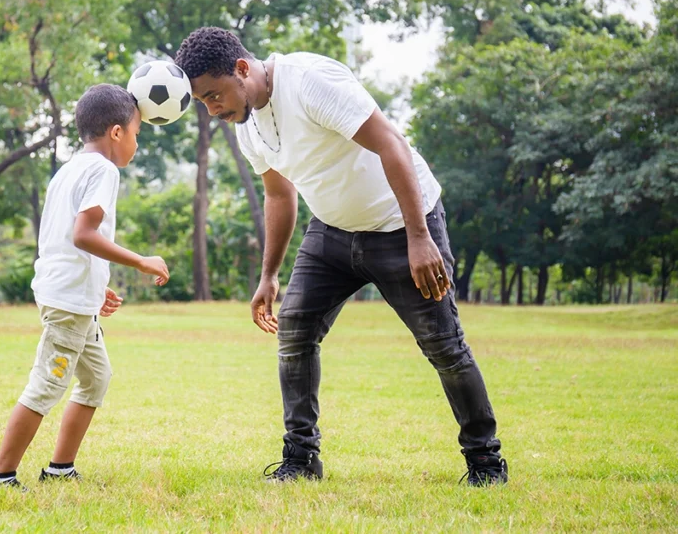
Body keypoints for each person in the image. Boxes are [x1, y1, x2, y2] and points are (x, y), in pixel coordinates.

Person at [175, 27, 507, 487]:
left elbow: (391, 143)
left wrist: (418, 237)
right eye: (203, 103)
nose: (213, 110)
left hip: (401, 225)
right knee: (295, 330)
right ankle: (301, 460)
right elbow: (279, 195)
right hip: (332, 232)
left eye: (214, 95)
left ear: (243, 69)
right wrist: (269, 274)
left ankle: (486, 464)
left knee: (443, 345)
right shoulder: (247, 123)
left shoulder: (310, 80)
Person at [0, 84, 170, 490]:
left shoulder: (68, 169)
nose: (136, 142)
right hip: (67, 303)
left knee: (96, 377)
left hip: (73, 295)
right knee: (48, 383)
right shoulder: (104, 169)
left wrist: (97, 284)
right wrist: (140, 260)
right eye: (136, 132)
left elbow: (60, 239)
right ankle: (0, 476)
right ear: (117, 132)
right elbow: (83, 234)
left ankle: (60, 468)